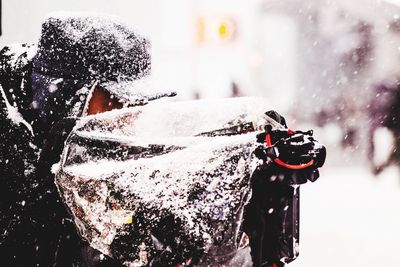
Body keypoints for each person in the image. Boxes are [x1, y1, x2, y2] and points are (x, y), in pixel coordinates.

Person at [0, 13, 173, 266]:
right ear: (70, 95)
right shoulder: (11, 150)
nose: (127, 119)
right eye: (117, 102)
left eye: (137, 105)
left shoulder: (104, 151)